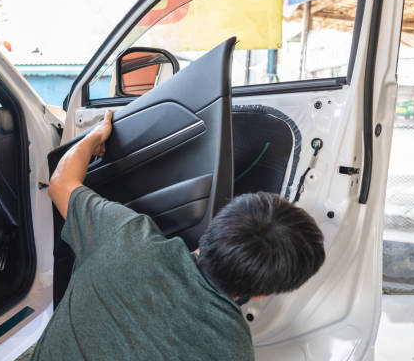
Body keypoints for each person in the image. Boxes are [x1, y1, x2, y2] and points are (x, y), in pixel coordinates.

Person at [31, 110, 325, 360]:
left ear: (216, 226)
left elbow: (60, 182)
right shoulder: (233, 349)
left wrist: (95, 136)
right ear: (263, 292)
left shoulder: (125, 236)